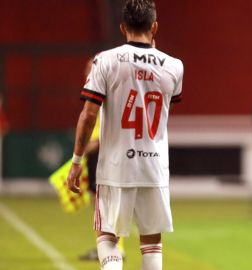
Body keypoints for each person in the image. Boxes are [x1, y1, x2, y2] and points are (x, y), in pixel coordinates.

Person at [67, 0, 184, 269]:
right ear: (154, 26)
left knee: (107, 234)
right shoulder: (174, 65)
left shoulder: (105, 60)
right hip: (153, 165)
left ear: (122, 27)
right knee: (151, 242)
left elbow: (88, 115)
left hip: (116, 165)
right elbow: (166, 103)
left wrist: (76, 161)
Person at [78, 58, 126, 261]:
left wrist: (96, 142)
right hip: (95, 152)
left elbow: (118, 124)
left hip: (105, 152)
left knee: (107, 202)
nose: (86, 70)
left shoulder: (109, 92)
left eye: (91, 66)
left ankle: (116, 249)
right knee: (98, 203)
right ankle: (105, 247)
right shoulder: (95, 90)